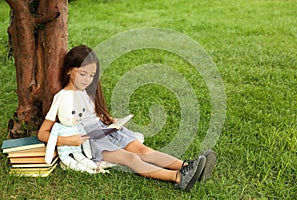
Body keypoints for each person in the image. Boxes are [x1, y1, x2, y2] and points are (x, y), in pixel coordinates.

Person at [38, 45, 217, 192]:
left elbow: (93, 115)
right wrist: (67, 140)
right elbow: (43, 133)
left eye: (91, 76)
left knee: (143, 150)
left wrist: (110, 120)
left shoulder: (88, 91)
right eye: (83, 74)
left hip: (106, 130)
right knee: (132, 159)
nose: (87, 80)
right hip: (92, 143)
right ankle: (178, 177)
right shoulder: (62, 97)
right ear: (69, 71)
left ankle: (187, 166)